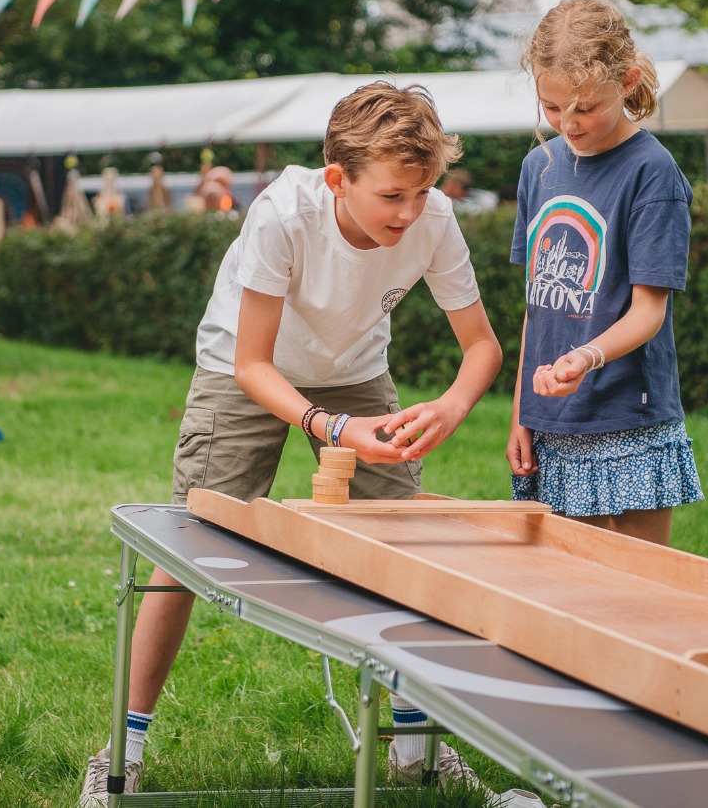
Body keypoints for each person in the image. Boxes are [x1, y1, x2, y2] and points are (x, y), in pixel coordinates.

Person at [81, 82, 504, 806]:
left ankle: (412, 745)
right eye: (393, 195)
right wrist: (333, 429)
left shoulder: (431, 216)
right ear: (339, 179)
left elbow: (483, 347)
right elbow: (252, 364)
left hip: (356, 372)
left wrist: (452, 405)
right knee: (188, 543)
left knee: (404, 546)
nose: (411, 211)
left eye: (423, 190)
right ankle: (123, 747)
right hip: (247, 366)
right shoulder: (284, 213)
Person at [506, 0, 703, 547]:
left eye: (585, 107)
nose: (568, 124)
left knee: (638, 588)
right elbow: (537, 304)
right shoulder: (537, 167)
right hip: (552, 418)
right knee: (565, 581)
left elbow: (649, 312)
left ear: (627, 80)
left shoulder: (652, 173)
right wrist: (522, 410)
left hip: (627, 416)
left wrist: (585, 357)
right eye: (551, 107)